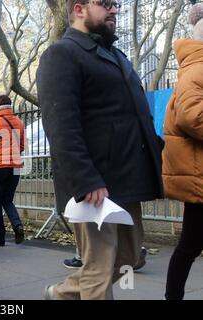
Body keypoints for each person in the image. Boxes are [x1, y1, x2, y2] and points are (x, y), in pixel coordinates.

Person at [37, 0, 163, 300]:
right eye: (105, 4)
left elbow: (135, 117)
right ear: (79, 9)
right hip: (95, 185)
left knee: (129, 260)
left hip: (128, 180)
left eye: (115, 4)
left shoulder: (116, 55)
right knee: (99, 268)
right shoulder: (61, 55)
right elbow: (60, 124)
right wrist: (86, 179)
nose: (114, 10)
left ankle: (62, 293)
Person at [163, 3, 203, 300]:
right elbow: (191, 115)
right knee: (189, 245)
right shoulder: (198, 68)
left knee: (190, 245)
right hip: (200, 179)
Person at [0, 95, 25, 246]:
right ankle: (17, 225)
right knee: (8, 200)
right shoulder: (19, 123)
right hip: (15, 167)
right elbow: (22, 147)